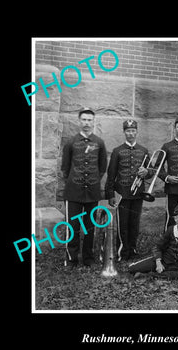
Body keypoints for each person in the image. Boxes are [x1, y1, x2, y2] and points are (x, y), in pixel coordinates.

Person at [61, 108, 108, 267]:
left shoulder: (99, 143)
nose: (87, 123)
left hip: (92, 193)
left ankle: (88, 258)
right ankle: (71, 259)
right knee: (72, 227)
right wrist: (76, 182)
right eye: (84, 120)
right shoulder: (71, 142)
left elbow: (102, 168)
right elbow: (65, 169)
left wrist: (93, 181)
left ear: (93, 122)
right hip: (73, 192)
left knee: (89, 227)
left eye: (89, 120)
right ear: (79, 121)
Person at [105, 119, 151, 261]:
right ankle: (122, 252)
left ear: (136, 132)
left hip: (138, 194)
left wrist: (146, 172)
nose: (130, 133)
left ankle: (133, 250)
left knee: (134, 224)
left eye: (133, 131)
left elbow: (151, 171)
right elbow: (111, 174)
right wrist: (110, 194)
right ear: (124, 132)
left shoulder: (143, 150)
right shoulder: (117, 151)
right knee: (122, 225)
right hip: (122, 194)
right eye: (128, 131)